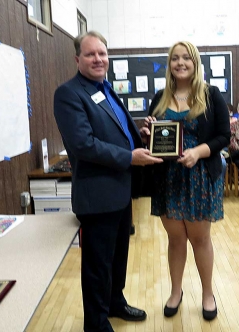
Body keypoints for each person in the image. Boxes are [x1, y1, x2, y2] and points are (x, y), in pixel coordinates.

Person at [53, 31, 163, 332]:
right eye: (90, 54)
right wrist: (130, 157)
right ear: (78, 59)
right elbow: (83, 145)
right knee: (97, 264)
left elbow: (113, 133)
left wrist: (136, 136)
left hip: (120, 190)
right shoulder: (69, 94)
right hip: (97, 194)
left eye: (102, 53)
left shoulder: (105, 88)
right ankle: (96, 322)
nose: (98, 59)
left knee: (118, 256)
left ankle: (115, 301)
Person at [144, 41, 230, 321]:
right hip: (167, 178)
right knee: (175, 238)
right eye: (175, 59)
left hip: (200, 177)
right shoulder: (158, 97)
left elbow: (223, 137)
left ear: (195, 63)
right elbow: (156, 137)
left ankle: (207, 293)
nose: (180, 63)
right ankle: (176, 291)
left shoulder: (211, 94)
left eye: (186, 59)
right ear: (169, 64)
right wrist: (148, 133)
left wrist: (198, 151)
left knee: (200, 239)